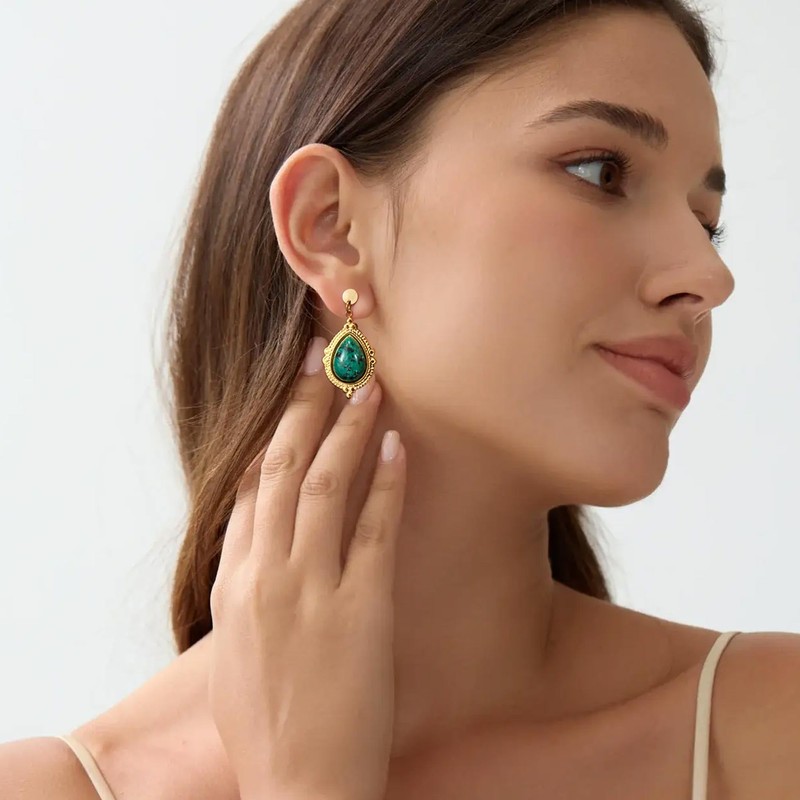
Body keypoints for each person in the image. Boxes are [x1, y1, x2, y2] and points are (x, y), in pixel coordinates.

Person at [3, 0, 799, 797]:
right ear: (331, 227)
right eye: (602, 172)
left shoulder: (771, 728)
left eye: (706, 222)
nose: (708, 276)